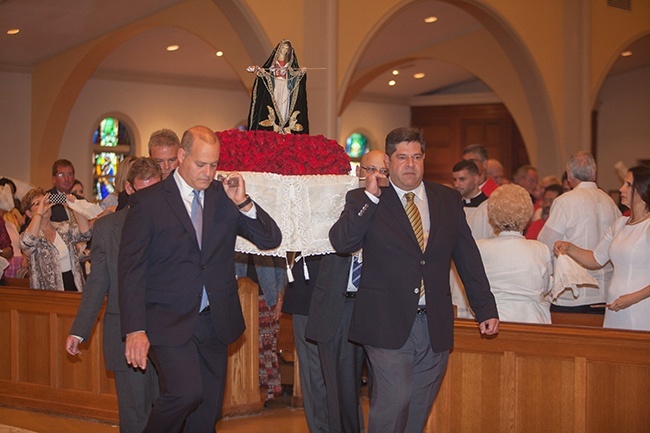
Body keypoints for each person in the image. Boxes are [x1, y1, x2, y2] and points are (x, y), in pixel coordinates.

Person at [329, 127, 499, 433]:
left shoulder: (446, 199)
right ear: (389, 161)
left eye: (417, 157)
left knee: (419, 406)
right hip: (386, 322)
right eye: (402, 157)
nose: (410, 164)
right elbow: (342, 242)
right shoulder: (365, 199)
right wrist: (370, 196)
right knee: (394, 401)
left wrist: (484, 307)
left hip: (433, 322)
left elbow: (467, 256)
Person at [118, 125, 282, 433]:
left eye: (214, 165)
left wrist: (243, 202)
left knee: (207, 410)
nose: (208, 173)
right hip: (165, 319)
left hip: (213, 320)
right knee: (184, 393)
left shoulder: (224, 197)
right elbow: (131, 270)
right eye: (200, 164)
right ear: (181, 156)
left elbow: (270, 238)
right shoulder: (149, 202)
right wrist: (135, 329)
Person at [65, 158, 162, 433]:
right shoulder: (107, 228)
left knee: (166, 412)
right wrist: (79, 330)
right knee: (135, 417)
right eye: (143, 192)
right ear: (129, 189)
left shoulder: (176, 225)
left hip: (167, 332)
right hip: (123, 332)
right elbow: (98, 281)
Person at [305, 149, 387, 433]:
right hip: (338, 308)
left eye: (382, 171)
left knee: (384, 393)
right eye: (370, 169)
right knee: (341, 396)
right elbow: (339, 239)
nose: (375, 175)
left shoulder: (389, 207)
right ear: (358, 172)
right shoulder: (337, 200)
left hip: (376, 307)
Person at [554, 166, 650, 331]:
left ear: (642, 191)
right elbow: (596, 259)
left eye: (628, 184)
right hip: (615, 304)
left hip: (641, 305)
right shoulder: (619, 224)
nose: (621, 188)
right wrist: (569, 248)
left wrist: (632, 298)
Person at [538, 151, 621, 313]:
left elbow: (544, 246)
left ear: (569, 175)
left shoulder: (564, 202)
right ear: (594, 173)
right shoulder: (609, 202)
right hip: (604, 294)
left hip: (571, 294)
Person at [476, 184, 552, 324]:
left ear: (492, 215)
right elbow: (546, 287)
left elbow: (474, 287)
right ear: (527, 214)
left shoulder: (480, 247)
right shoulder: (540, 249)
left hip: (492, 319)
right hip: (532, 320)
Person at [234, 252, 286, 402]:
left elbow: (280, 268)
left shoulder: (269, 235)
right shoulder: (236, 238)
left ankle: (266, 393)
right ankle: (243, 392)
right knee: (243, 348)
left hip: (267, 298)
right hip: (240, 298)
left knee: (266, 347)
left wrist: (280, 300)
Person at [19, 188, 91, 291]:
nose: (44, 206)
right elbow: (27, 242)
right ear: (29, 213)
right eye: (37, 203)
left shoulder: (63, 228)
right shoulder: (29, 235)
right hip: (47, 293)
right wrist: (40, 213)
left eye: (46, 201)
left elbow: (86, 234)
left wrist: (75, 206)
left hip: (74, 286)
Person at [247, 39, 309, 134]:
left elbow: (294, 77)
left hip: (285, 87)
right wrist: (262, 72)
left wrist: (300, 73)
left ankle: (284, 126)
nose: (284, 50)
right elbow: (265, 75)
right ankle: (276, 126)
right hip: (276, 86)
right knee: (275, 104)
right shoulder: (272, 65)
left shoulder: (289, 66)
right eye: (283, 48)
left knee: (285, 106)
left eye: (286, 49)